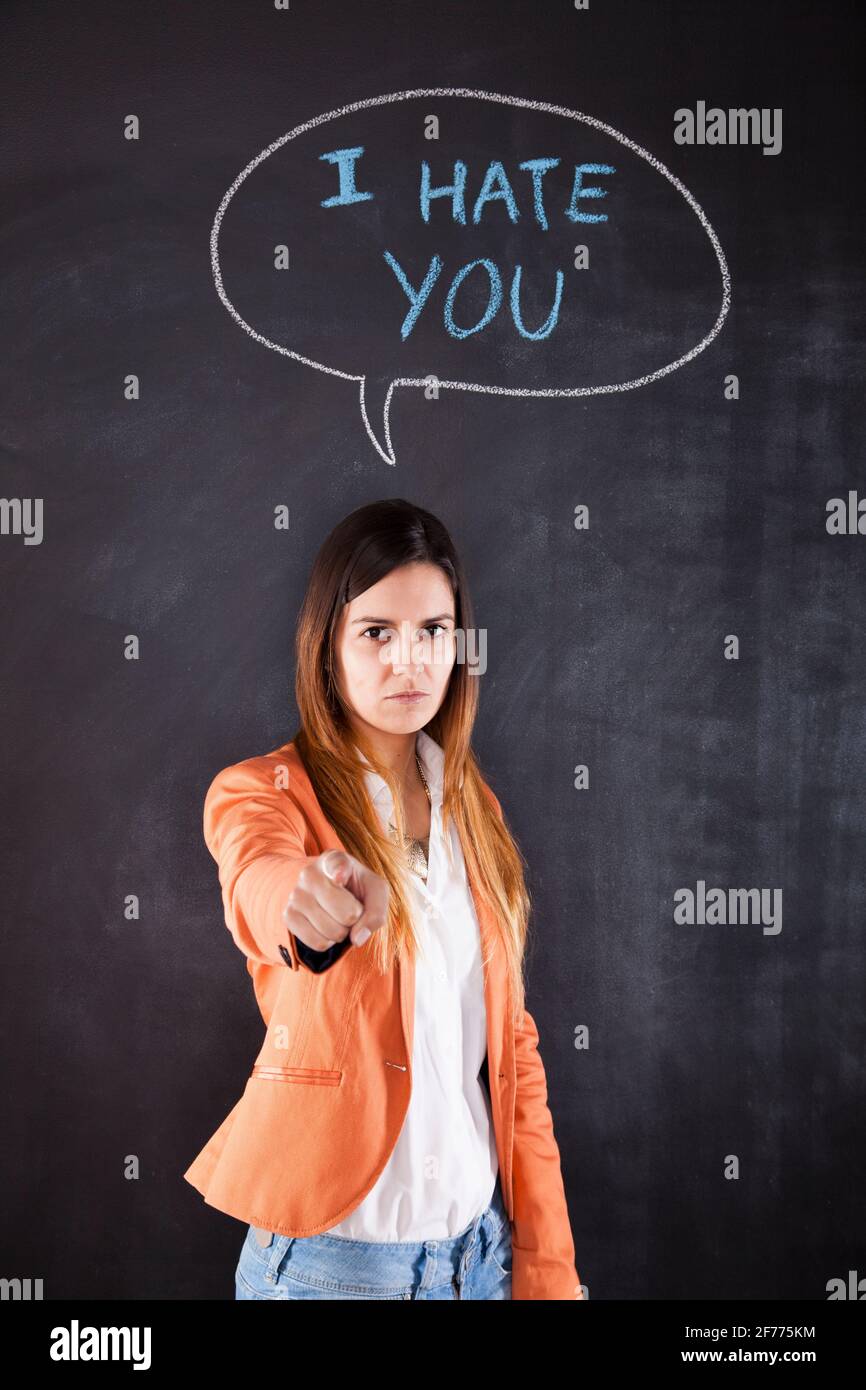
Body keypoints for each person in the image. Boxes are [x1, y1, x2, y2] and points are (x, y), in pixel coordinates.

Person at [184, 497, 584, 1301]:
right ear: (327, 645)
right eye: (377, 632)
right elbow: (258, 879)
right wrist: (301, 902)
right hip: (334, 1273)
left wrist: (548, 1268)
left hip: (481, 1263)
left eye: (433, 631)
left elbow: (511, 1051)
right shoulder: (263, 792)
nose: (410, 661)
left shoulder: (478, 812)